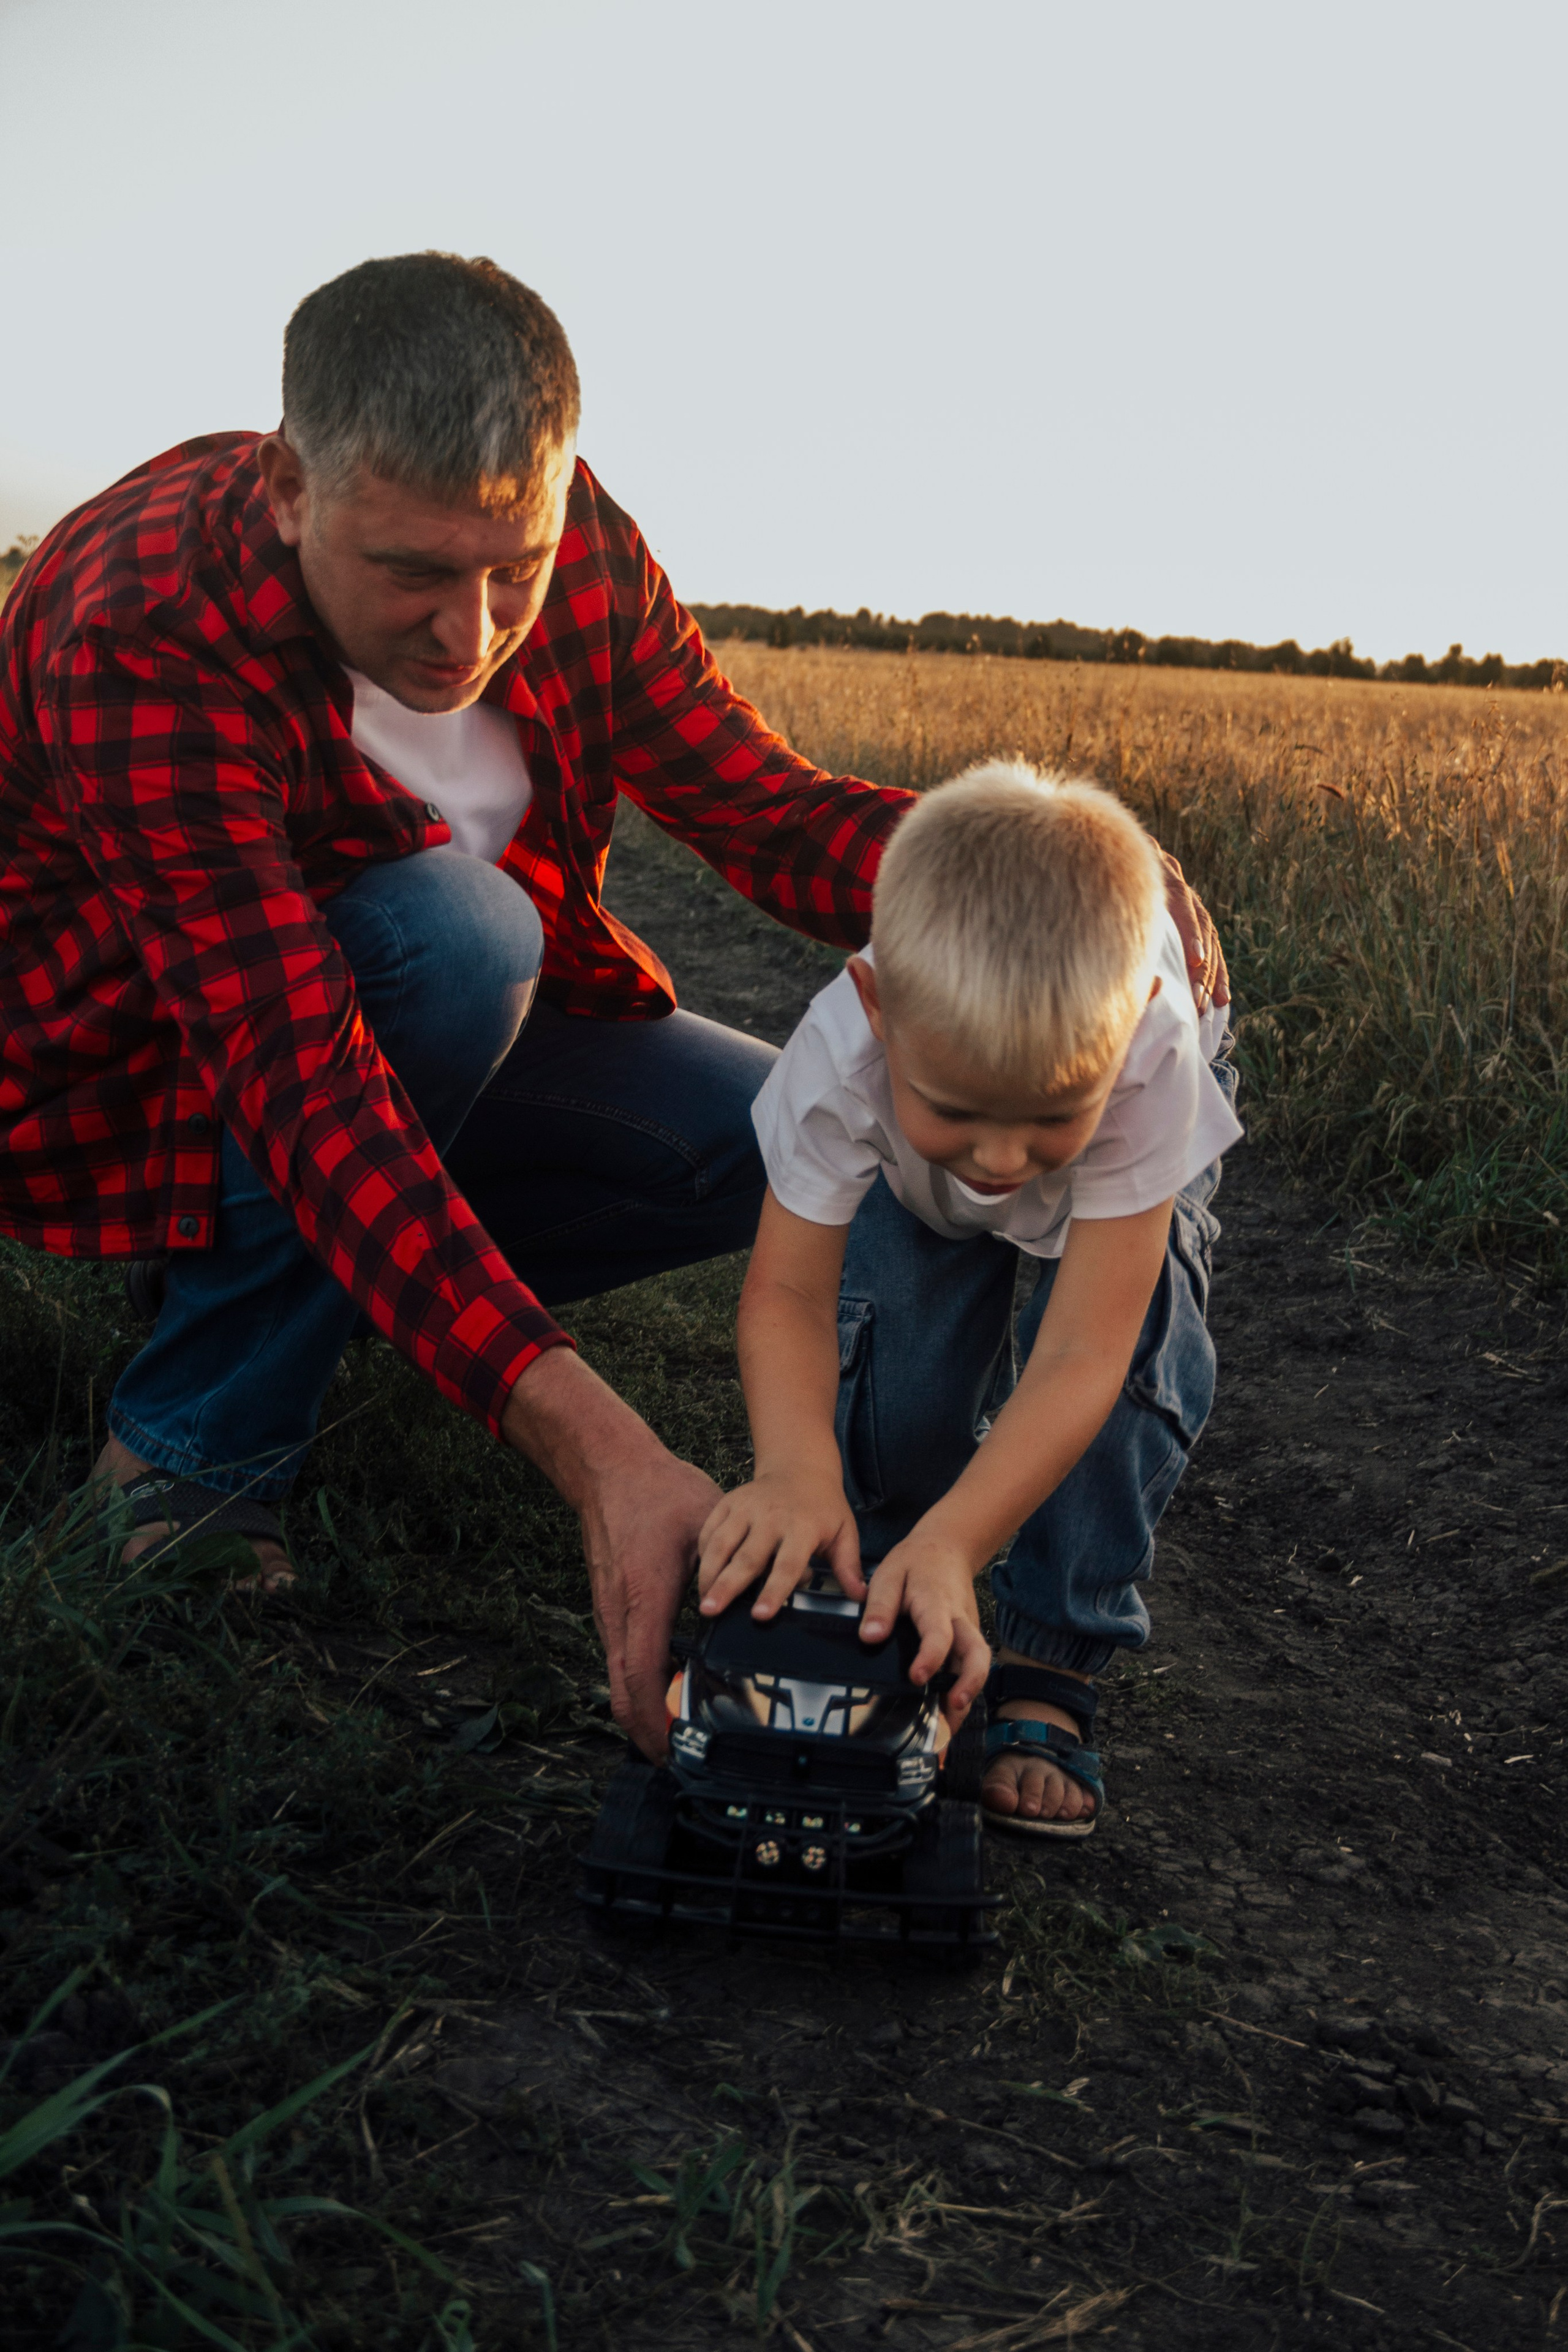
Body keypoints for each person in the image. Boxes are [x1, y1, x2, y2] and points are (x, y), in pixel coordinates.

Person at [0, 252, 1226, 1763]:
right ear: (289, 489)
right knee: (457, 932)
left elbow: (762, 812)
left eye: (508, 568)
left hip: (417, 1061)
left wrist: (1054, 866)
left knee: (768, 1135)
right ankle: (190, 1449)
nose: (470, 633)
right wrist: (606, 1461)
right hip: (146, 1081)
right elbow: (298, 1079)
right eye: (412, 574)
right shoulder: (136, 619)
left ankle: (358, 1297)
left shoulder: (580, 554)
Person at [696, 764, 1242, 1835]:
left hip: (1122, 1178)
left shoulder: (1148, 1058)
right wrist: (794, 1469)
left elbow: (1082, 1347)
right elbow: (788, 1295)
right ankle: (897, 1570)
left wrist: (968, 1542)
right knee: (891, 1358)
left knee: (1138, 1352)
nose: (1000, 1161)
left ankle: (1047, 1654)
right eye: (959, 1112)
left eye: (1045, 1118)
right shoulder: (842, 1059)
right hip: (907, 1170)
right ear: (879, 1008)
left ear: (1127, 1027)